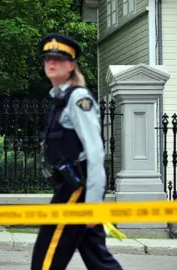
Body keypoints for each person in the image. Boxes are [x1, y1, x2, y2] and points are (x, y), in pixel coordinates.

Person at [30, 33, 123, 270]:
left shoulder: (78, 98)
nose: (51, 63)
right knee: (98, 259)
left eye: (59, 59)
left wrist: (93, 204)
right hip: (70, 187)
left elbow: (94, 152)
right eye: (47, 58)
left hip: (76, 190)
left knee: (45, 260)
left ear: (71, 65)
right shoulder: (59, 99)